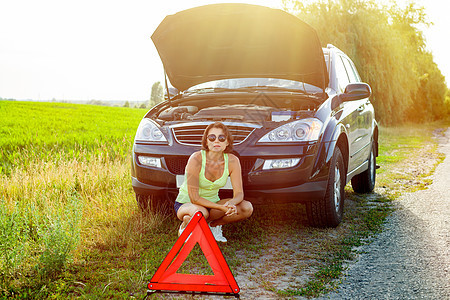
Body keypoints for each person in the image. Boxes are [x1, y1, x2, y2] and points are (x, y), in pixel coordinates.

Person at [173, 122, 253, 242]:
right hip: (187, 204)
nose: (216, 141)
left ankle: (213, 226)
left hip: (212, 205)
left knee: (247, 207)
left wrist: (231, 203)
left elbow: (239, 194)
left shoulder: (232, 161)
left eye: (221, 138)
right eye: (212, 137)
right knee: (199, 213)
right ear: (206, 141)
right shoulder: (196, 158)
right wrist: (222, 208)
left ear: (227, 142)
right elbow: (194, 198)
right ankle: (185, 225)